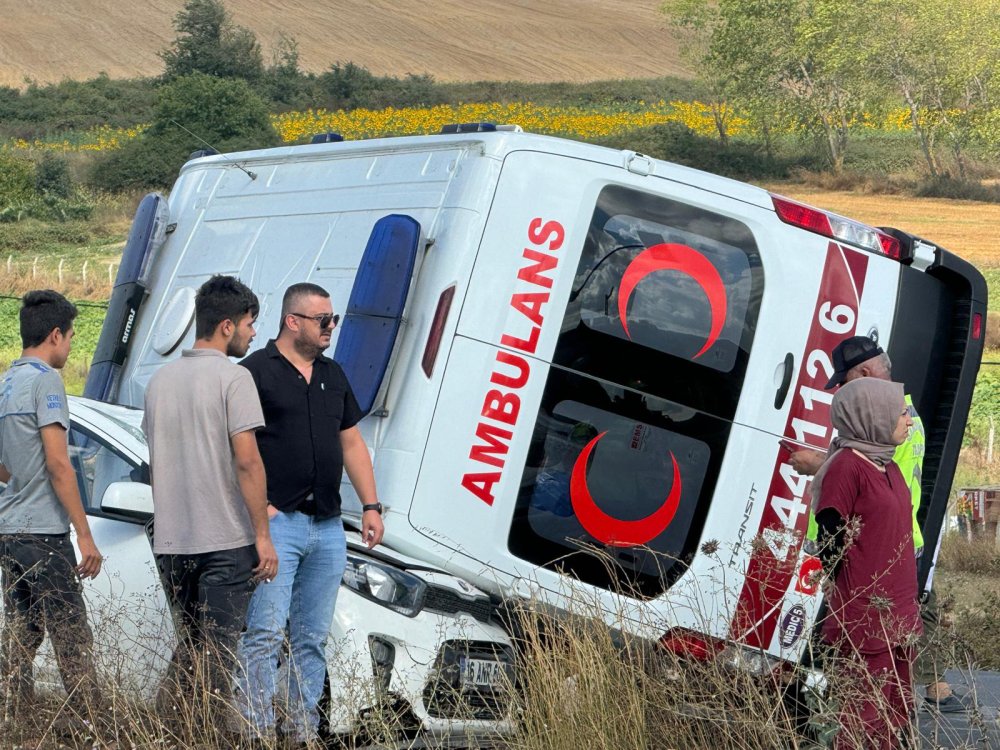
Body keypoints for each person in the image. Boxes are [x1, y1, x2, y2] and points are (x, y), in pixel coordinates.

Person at [236, 282, 385, 746]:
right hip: (277, 525)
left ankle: (299, 733)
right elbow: (233, 448)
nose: (330, 328)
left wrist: (372, 505)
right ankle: (256, 732)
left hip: (327, 525)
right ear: (292, 320)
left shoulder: (332, 374)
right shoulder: (254, 373)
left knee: (311, 640)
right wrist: (259, 508)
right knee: (263, 633)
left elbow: (352, 442)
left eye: (333, 319)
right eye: (323, 320)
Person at [791, 335, 966, 713]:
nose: (841, 391)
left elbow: (874, 482)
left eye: (844, 380)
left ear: (866, 373)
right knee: (890, 632)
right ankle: (903, 699)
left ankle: (812, 708)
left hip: (876, 554)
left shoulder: (888, 421)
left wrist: (817, 466)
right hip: (889, 550)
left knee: (851, 636)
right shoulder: (893, 417)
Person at [142, 275, 278, 726]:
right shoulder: (234, 378)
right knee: (217, 662)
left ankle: (165, 731)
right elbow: (247, 462)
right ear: (226, 325)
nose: (253, 333)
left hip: (173, 542)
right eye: (249, 323)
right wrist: (262, 535)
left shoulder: (159, 381)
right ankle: (203, 736)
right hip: (224, 540)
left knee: (192, 649)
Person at [0, 290, 103, 717]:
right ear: (55, 334)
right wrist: (85, 534)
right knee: (71, 633)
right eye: (72, 336)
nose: (72, 344)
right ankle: (94, 727)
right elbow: (61, 465)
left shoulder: (6, 382)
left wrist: (21, 480)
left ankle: (13, 718)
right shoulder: (46, 380)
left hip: (8, 529)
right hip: (43, 531)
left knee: (24, 632)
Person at [812, 377, 921, 749]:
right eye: (900, 412)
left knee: (896, 708)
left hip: (899, 608)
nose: (908, 420)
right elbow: (829, 532)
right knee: (864, 716)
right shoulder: (847, 466)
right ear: (872, 416)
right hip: (867, 614)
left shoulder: (887, 464)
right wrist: (847, 587)